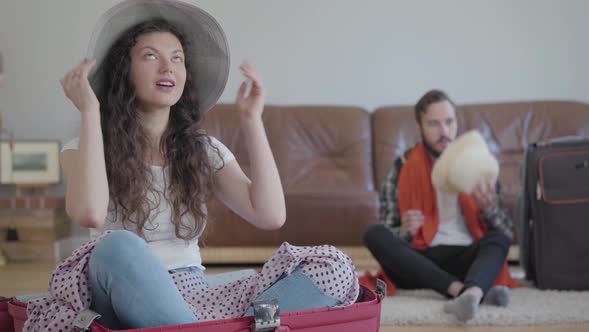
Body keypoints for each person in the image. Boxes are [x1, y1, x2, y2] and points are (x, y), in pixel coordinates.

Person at [25, 1, 358, 330]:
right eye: (151, 56)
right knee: (117, 244)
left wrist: (251, 119)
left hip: (194, 295)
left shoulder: (204, 150)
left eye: (177, 59)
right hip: (118, 288)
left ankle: (197, 327)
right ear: (124, 71)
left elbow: (270, 215)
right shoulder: (83, 147)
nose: (168, 68)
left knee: (334, 265)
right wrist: (89, 113)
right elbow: (89, 214)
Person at [363, 89, 518, 322]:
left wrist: (489, 210)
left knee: (499, 238)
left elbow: (506, 231)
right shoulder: (401, 167)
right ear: (420, 128)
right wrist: (403, 231)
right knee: (373, 233)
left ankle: (472, 292)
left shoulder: (477, 163)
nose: (444, 131)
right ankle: (464, 292)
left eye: (449, 122)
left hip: (466, 258)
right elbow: (388, 229)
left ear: (456, 122)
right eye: (434, 124)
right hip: (420, 260)